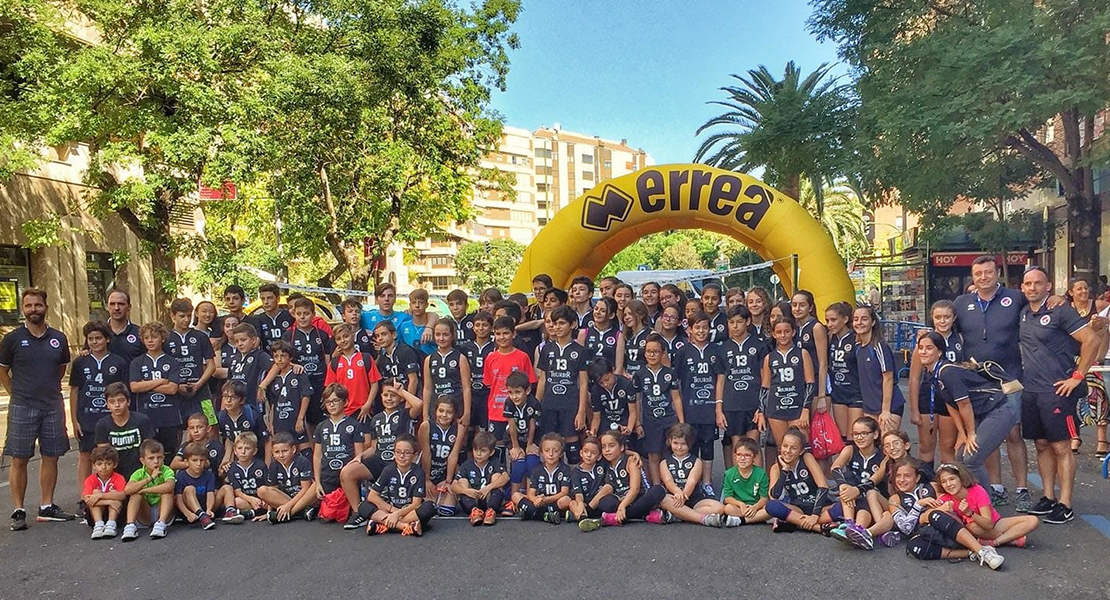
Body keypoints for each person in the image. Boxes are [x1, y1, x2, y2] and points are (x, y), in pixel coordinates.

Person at [1017, 267, 1100, 524]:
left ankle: (1065, 503)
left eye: (1038, 283)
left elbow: (1092, 340)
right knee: (1041, 445)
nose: (1032, 288)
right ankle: (1048, 497)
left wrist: (1077, 377)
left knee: (1062, 446)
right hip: (1031, 391)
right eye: (1028, 284)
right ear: (1022, 288)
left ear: (1048, 286)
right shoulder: (1022, 312)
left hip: (1057, 391)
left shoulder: (1061, 309)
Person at [952, 255, 1033, 509]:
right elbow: (944, 328)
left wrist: (1054, 300)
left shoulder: (1015, 298)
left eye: (988, 272)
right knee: (988, 435)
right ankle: (996, 487)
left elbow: (1038, 307)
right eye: (978, 274)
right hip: (977, 380)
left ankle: (1021, 489)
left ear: (996, 273)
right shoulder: (962, 302)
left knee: (1013, 433)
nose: (983, 277)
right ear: (972, 277)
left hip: (1009, 379)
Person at [0, 289, 75, 530]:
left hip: (52, 405)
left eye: (38, 305)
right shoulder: (12, 339)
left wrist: (47, 389)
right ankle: (18, 510)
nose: (34, 309)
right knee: (19, 458)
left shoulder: (58, 338)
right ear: (23, 308)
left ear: (46, 307)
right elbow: (3, 371)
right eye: (29, 305)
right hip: (23, 405)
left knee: (51, 455)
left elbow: (61, 368)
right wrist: (16, 394)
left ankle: (46, 506)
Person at [916, 332, 1011, 500]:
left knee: (972, 458)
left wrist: (971, 433)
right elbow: (950, 405)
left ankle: (984, 506)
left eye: (929, 348)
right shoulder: (933, 373)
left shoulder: (947, 371)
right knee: (959, 457)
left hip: (997, 409)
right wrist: (962, 433)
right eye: (921, 348)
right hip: (981, 413)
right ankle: (973, 499)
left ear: (939, 352)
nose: (923, 352)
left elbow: (964, 404)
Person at [888, 458, 1005, 568]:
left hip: (953, 528)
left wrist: (937, 510)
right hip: (928, 534)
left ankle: (983, 552)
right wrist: (918, 505)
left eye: (907, 476)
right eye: (898, 476)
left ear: (917, 477)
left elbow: (947, 505)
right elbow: (906, 529)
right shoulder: (894, 499)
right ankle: (971, 552)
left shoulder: (932, 487)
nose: (902, 480)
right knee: (914, 547)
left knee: (935, 515)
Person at [341, 380, 421, 528]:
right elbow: (373, 447)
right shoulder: (376, 419)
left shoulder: (405, 413)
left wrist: (402, 391)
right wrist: (361, 456)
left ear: (400, 398)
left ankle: (387, 515)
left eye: (393, 395)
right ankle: (359, 512)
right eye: (386, 395)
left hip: (398, 463)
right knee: (347, 472)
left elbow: (419, 405)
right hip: (379, 460)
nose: (389, 398)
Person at [70, 320, 130, 497]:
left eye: (98, 338)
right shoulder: (80, 362)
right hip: (87, 417)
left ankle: (114, 492)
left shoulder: (118, 362)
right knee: (85, 456)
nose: (95, 342)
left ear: (107, 339)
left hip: (110, 418)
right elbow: (74, 390)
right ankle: (85, 496)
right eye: (91, 339)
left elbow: (124, 392)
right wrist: (74, 420)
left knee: (112, 456)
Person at [673, 312, 725, 495]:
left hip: (708, 408)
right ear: (690, 330)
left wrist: (718, 407)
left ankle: (707, 482)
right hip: (690, 408)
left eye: (705, 327)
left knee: (708, 445)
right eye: (697, 327)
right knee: (690, 445)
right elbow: (675, 382)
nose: (701, 331)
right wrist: (679, 411)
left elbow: (720, 378)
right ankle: (690, 483)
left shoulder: (716, 351)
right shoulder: (683, 352)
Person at [908, 300, 965, 464]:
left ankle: (947, 484)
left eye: (947, 317)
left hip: (951, 398)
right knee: (926, 446)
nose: (942, 321)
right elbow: (914, 378)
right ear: (932, 318)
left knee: (948, 446)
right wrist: (913, 409)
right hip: (928, 397)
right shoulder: (924, 342)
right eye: (938, 317)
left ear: (954, 318)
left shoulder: (960, 339)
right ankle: (927, 484)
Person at [936, 462, 1039, 548]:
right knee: (973, 527)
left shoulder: (977, 491)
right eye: (944, 482)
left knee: (1033, 520)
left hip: (994, 523)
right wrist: (938, 507)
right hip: (974, 530)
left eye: (952, 479)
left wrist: (970, 513)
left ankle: (995, 542)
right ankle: (1009, 538)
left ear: (961, 478)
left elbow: (989, 524)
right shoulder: (945, 498)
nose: (948, 485)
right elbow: (929, 515)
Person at [584, 430, 671, 529]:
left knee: (658, 490)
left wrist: (622, 507)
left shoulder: (631, 461)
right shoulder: (606, 462)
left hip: (638, 497)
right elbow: (608, 487)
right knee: (605, 503)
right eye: (604, 447)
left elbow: (635, 489)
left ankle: (615, 518)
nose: (607, 450)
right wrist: (589, 509)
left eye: (611, 446)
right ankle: (644, 516)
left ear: (621, 447)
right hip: (621, 499)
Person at [536, 306, 590, 463]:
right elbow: (543, 379)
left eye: (561, 323)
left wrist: (581, 412)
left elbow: (583, 382)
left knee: (571, 439)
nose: (556, 327)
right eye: (554, 323)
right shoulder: (546, 349)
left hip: (570, 403)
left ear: (573, 324)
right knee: (549, 442)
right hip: (549, 403)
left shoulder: (580, 351)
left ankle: (573, 481)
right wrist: (537, 405)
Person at [717, 305, 767, 467]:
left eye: (739, 322)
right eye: (731, 322)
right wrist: (719, 409)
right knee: (737, 446)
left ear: (748, 321)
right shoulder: (723, 348)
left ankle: (758, 486)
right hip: (732, 404)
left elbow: (765, 376)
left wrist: (762, 406)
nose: (735, 326)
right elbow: (721, 379)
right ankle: (738, 487)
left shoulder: (759, 345)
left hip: (753, 403)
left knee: (753, 445)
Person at [828, 416, 889, 548]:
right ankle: (850, 525)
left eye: (863, 433)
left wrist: (855, 491)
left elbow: (875, 480)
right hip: (853, 497)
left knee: (865, 500)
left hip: (875, 498)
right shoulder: (850, 450)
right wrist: (843, 485)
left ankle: (857, 528)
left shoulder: (883, 456)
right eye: (855, 434)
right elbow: (835, 467)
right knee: (847, 478)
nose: (859, 437)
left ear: (875, 434)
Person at [1065, 277, 1109, 453]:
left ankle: (1102, 440)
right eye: (1079, 289)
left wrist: (1104, 323)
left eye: (1085, 288)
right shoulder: (1067, 310)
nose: (1083, 292)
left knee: (1098, 396)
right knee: (1073, 397)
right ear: (1071, 292)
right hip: (1073, 357)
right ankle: (1074, 436)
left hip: (1096, 358)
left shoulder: (1098, 306)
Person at [633, 334, 684, 484]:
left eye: (656, 351)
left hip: (669, 419)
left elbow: (676, 398)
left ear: (663, 353)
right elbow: (637, 399)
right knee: (653, 455)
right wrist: (637, 422)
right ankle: (656, 489)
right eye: (649, 351)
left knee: (670, 454)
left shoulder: (670, 373)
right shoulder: (640, 374)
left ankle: (672, 486)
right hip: (650, 420)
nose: (652, 355)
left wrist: (680, 422)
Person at [361, 433, 436, 536]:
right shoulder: (388, 470)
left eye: (407, 453)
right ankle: (405, 527)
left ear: (414, 455)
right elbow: (372, 496)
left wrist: (398, 514)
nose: (401, 456)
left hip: (409, 512)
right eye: (398, 452)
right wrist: (393, 511)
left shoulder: (419, 473)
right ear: (394, 453)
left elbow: (416, 504)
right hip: (390, 510)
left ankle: (384, 525)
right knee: (363, 506)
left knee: (430, 507)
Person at [764, 427, 835, 533]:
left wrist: (815, 515)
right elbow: (774, 496)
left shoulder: (807, 458)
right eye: (785, 446)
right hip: (797, 509)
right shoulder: (776, 468)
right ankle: (819, 527)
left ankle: (796, 523)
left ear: (801, 451)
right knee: (771, 506)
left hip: (818, 507)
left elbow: (823, 486)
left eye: (793, 448)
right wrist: (784, 471)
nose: (787, 451)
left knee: (844, 507)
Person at [130, 321, 183, 457]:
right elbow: (135, 387)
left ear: (163, 338)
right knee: (148, 455)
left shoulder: (173, 362)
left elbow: (172, 389)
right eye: (146, 338)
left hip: (169, 417)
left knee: (168, 455)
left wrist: (146, 385)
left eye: (154, 337)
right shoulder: (137, 362)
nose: (150, 341)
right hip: (146, 417)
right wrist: (160, 381)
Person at [760, 316, 815, 447]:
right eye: (779, 332)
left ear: (793, 332)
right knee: (783, 449)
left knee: (802, 448)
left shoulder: (802, 354)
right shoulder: (769, 358)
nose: (783, 335)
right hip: (776, 409)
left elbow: (810, 384)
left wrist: (805, 410)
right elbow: (765, 387)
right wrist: (761, 411)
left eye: (787, 331)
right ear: (773, 334)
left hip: (797, 408)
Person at [483, 316, 537, 449]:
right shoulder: (490, 358)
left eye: (506, 333)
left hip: (518, 412)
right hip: (496, 411)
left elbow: (530, 383)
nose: (502, 337)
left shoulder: (522, 357)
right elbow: (489, 384)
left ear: (513, 334)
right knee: (496, 447)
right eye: (498, 334)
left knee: (517, 447)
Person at [659, 423, 727, 527]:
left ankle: (679, 515)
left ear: (690, 444)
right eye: (675, 443)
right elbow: (668, 481)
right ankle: (702, 519)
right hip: (674, 497)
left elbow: (692, 481)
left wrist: (684, 496)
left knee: (719, 508)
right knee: (663, 499)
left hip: (693, 498)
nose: (679, 447)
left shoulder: (697, 461)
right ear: (670, 442)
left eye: (683, 444)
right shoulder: (664, 463)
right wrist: (677, 492)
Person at [165, 298, 217, 430]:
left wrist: (199, 383)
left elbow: (211, 365)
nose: (186, 320)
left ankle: (213, 450)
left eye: (189, 316)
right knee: (179, 429)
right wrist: (176, 385)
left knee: (211, 423)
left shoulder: (200, 336)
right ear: (172, 316)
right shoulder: (165, 338)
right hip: (177, 391)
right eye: (182, 316)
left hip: (202, 390)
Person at [315, 384, 365, 520]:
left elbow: (358, 456)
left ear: (345, 402)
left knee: (341, 512)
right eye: (328, 402)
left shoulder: (354, 425)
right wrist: (318, 482)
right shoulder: (321, 426)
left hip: (345, 477)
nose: (331, 405)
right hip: (327, 476)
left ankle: (357, 512)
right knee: (327, 514)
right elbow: (317, 455)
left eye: (336, 400)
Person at [853, 306, 905, 433]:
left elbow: (888, 377)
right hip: (870, 406)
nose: (859, 322)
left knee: (888, 442)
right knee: (874, 444)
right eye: (856, 319)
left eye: (864, 319)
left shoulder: (878, 346)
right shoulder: (858, 347)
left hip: (889, 405)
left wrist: (885, 410)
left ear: (873, 322)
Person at [284, 297, 333, 428]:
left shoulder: (322, 335)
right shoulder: (289, 335)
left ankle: (316, 447)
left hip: (319, 382)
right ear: (294, 314)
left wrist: (328, 384)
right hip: (299, 383)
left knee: (317, 420)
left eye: (306, 314)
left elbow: (328, 361)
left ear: (313, 315)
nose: (302, 317)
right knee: (298, 419)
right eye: (299, 314)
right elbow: (283, 360)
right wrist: (294, 365)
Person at [95, 382, 155, 479]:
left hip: (140, 472)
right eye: (112, 401)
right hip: (115, 475)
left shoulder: (142, 420)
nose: (117, 405)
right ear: (107, 404)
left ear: (128, 402)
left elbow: (149, 450)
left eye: (121, 400)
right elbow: (103, 456)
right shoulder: (102, 425)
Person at [325, 323, 382, 421]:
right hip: (342, 411)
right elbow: (330, 389)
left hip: (363, 410)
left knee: (366, 436)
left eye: (346, 336)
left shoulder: (366, 358)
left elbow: (374, 383)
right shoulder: (334, 362)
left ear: (353, 336)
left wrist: (368, 404)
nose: (343, 340)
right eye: (339, 338)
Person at [121, 439, 175, 541]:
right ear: (143, 461)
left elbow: (169, 486)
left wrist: (145, 490)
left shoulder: (167, 470)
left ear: (163, 458)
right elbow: (127, 490)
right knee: (135, 494)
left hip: (162, 510)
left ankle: (161, 524)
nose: (156, 461)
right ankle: (130, 526)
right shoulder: (138, 473)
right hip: (145, 513)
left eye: (159, 457)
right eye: (151, 458)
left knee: (167, 492)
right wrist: (150, 478)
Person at [451, 430, 509, 526]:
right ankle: (474, 512)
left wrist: (489, 487)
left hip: (488, 498)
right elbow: (453, 486)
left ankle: (491, 511)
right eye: (476, 450)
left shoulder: (495, 462)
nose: (478, 454)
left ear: (491, 452)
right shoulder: (467, 464)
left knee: (497, 476)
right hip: (473, 498)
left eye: (483, 451)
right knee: (462, 481)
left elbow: (506, 477)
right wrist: (466, 491)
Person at [514, 433, 574, 524]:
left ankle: (531, 513)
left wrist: (546, 500)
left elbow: (564, 492)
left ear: (561, 454)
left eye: (555, 451)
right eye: (547, 450)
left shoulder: (565, 469)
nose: (551, 454)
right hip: (539, 502)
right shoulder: (537, 470)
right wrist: (536, 500)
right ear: (541, 453)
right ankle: (547, 515)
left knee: (566, 500)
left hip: (554, 501)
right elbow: (531, 493)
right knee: (516, 495)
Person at [258, 432, 318, 523]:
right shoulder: (274, 465)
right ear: (272, 453)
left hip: (304, 498)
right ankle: (302, 512)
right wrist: (269, 512)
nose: (281, 455)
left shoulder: (302, 461)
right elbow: (273, 489)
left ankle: (292, 512)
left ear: (293, 449)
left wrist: (289, 506)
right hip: (286, 498)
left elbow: (305, 488)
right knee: (262, 490)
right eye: (277, 452)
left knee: (316, 486)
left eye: (284, 451)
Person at [419, 396, 465, 516]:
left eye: (449, 412)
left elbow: (453, 455)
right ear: (435, 411)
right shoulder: (426, 426)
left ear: (454, 414)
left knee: (447, 510)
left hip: (445, 472)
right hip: (428, 471)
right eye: (441, 411)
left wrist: (448, 481)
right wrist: (427, 479)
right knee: (426, 508)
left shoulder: (459, 428)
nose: (444, 415)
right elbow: (426, 454)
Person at [264, 340, 312, 452]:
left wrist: (300, 418)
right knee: (283, 449)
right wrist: (271, 423)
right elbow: (272, 403)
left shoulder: (298, 373)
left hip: (295, 418)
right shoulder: (273, 378)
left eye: (283, 356)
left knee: (303, 448)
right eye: (276, 356)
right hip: (279, 421)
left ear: (290, 357)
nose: (279, 359)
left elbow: (306, 396)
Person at [825, 302, 861, 443]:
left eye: (833, 320)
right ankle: (845, 465)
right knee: (843, 438)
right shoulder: (830, 338)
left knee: (856, 436)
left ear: (845, 319)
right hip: (838, 392)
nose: (829, 324)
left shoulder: (856, 338)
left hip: (855, 392)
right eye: (827, 320)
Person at [424, 320, 471, 426]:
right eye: (437, 334)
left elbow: (466, 387)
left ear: (452, 335)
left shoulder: (460, 358)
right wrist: (425, 414)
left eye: (445, 335)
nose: (441, 338)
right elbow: (427, 388)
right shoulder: (429, 359)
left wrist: (467, 413)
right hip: (437, 406)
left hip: (456, 405)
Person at [503, 371, 542, 500]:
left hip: (532, 437)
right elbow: (511, 425)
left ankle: (531, 497)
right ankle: (514, 499)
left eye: (517, 392)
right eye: (510, 392)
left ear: (527, 390)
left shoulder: (534, 403)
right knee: (519, 465)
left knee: (532, 463)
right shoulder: (508, 403)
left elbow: (532, 425)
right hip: (514, 439)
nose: (514, 397)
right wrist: (515, 446)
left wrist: (530, 444)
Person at [791, 290, 830, 417]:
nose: (797, 308)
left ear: (810, 307)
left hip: (814, 382)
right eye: (794, 305)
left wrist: (821, 395)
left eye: (802, 305)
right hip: (797, 382)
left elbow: (823, 363)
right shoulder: (793, 328)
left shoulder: (816, 327)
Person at [219, 432, 268, 523]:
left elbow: (266, 486)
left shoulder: (260, 465)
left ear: (255, 451)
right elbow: (237, 491)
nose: (243, 452)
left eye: (247, 448)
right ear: (234, 450)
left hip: (259, 498)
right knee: (237, 501)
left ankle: (250, 512)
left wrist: (263, 500)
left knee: (267, 502)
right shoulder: (232, 468)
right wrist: (251, 499)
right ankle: (252, 512)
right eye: (240, 448)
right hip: (245, 499)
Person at [217, 380, 267, 466]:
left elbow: (267, 441)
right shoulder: (222, 417)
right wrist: (226, 459)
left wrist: (267, 464)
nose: (228, 400)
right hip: (238, 458)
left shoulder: (252, 415)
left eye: (233, 397)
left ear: (242, 400)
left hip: (257, 458)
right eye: (225, 396)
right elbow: (229, 439)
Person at [227, 322, 274, 413]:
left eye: (243, 340)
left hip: (253, 405)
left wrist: (263, 385)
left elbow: (276, 366)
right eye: (236, 341)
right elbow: (228, 383)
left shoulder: (260, 355)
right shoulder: (234, 358)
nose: (240, 344)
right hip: (235, 406)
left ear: (253, 340)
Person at [721, 438, 770, 526]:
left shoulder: (761, 474)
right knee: (728, 508)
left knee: (769, 509)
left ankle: (741, 519)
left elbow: (764, 498)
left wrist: (755, 507)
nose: (742, 458)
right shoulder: (729, 474)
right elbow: (728, 498)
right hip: (739, 506)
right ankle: (756, 518)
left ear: (754, 457)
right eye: (739, 455)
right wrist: (741, 504)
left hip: (756, 506)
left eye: (747, 455)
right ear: (735, 456)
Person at [459, 311, 494, 431]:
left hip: (487, 393)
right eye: (477, 325)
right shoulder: (465, 347)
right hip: (471, 392)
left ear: (491, 328)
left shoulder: (495, 347)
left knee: (484, 429)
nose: (481, 328)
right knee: (467, 429)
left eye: (484, 325)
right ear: (473, 328)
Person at [568, 436, 612, 531]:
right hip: (584, 503)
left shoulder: (602, 464)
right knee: (572, 503)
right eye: (586, 451)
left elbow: (619, 453)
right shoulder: (576, 472)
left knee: (608, 487)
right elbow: (578, 492)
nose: (589, 455)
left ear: (599, 456)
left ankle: (582, 515)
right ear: (581, 453)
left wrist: (634, 454)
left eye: (593, 453)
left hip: (598, 503)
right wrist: (580, 503)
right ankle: (583, 519)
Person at [588, 358, 638, 439]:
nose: (605, 384)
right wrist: (592, 432)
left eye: (607, 379)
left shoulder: (626, 384)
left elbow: (632, 412)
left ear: (613, 370)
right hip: (605, 426)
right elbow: (596, 417)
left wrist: (629, 429)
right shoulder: (595, 390)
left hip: (623, 424)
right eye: (601, 382)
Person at [83, 446, 127, 539]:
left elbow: (122, 495)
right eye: (99, 464)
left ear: (114, 465)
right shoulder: (90, 480)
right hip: (95, 514)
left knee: (113, 494)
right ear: (94, 465)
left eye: (108, 463)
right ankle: (98, 525)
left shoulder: (119, 478)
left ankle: (111, 524)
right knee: (95, 493)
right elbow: (87, 499)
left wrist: (101, 496)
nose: (104, 467)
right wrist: (109, 501)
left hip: (117, 512)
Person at [174, 442, 219, 530]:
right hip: (190, 512)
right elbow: (178, 499)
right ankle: (201, 515)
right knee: (189, 489)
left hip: (205, 508)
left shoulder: (209, 474)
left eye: (201, 460)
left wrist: (209, 509)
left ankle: (205, 515)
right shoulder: (181, 476)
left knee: (223, 489)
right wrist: (187, 513)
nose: (198, 464)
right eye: (194, 460)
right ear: (186, 462)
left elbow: (210, 494)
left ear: (206, 461)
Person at [375, 321, 420, 399]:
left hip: (409, 396)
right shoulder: (382, 357)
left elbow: (413, 380)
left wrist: (408, 403)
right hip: (394, 399)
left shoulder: (405, 351)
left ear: (394, 335)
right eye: (377, 336)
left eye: (384, 334)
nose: (380, 338)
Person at [579, 296, 621, 368]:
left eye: (603, 311)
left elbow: (618, 368)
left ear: (611, 315)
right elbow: (579, 364)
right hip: (588, 376)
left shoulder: (618, 335)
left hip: (608, 377)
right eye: (596, 309)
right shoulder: (584, 333)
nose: (597, 312)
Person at [250, 283, 294, 350]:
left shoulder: (289, 316)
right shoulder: (257, 319)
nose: (266, 302)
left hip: (288, 357)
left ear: (278, 299)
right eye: (263, 299)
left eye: (269, 298)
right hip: (266, 358)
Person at [104, 289, 144, 363]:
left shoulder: (140, 333)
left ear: (129, 307)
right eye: (112, 304)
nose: (116, 308)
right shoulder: (99, 332)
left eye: (121, 304)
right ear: (107, 307)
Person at [618, 300, 652, 377]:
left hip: (645, 379)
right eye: (625, 315)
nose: (627, 317)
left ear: (641, 314)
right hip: (627, 379)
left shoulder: (651, 334)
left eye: (630, 314)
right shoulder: (624, 336)